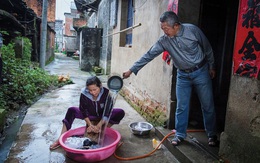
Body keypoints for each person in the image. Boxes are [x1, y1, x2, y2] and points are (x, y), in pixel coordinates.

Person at [123, 11, 218, 147]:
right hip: (183, 75)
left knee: (207, 104)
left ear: (176, 26)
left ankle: (212, 135)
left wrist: (212, 66)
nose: (164, 32)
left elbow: (207, 49)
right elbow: (149, 55)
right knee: (181, 106)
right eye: (162, 29)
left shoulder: (192, 31)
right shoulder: (164, 41)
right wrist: (131, 70)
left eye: (166, 28)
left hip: (201, 72)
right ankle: (180, 134)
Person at [49, 76, 125, 150]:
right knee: (71, 110)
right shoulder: (84, 94)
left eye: (95, 89)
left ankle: (102, 130)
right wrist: (90, 125)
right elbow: (83, 110)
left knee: (120, 112)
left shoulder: (106, 93)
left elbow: (107, 112)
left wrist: (98, 126)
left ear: (100, 86)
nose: (92, 92)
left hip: (101, 116)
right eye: (90, 90)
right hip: (90, 115)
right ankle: (59, 139)